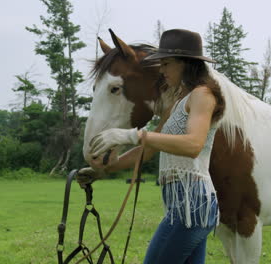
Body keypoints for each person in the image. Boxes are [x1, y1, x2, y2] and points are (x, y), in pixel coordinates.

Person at [79, 29, 225, 264]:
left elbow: (193, 144)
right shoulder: (177, 104)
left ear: (186, 64)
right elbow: (147, 151)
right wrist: (105, 169)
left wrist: (130, 135)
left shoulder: (203, 95)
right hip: (185, 205)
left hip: (192, 204)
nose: (161, 70)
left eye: (166, 64)